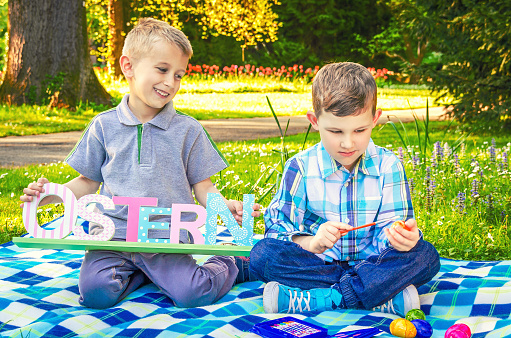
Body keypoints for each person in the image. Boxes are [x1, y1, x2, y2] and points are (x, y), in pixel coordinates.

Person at [20, 18, 259, 309]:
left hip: (164, 240)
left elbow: (204, 186)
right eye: (162, 69)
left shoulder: (188, 130)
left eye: (179, 75)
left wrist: (224, 205)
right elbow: (86, 182)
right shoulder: (103, 126)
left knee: (191, 294)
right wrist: (47, 196)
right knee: (95, 294)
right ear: (128, 66)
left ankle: (231, 260)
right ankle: (145, 275)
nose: (171, 82)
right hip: (112, 239)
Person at [249, 62, 440, 316]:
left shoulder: (389, 166)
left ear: (375, 119)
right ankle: (373, 295)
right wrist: (313, 242)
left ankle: (328, 298)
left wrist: (402, 240)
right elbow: (276, 230)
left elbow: (391, 227)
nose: (348, 143)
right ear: (314, 121)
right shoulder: (300, 167)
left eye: (360, 130)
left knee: (425, 256)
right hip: (318, 265)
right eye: (336, 131)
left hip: (375, 264)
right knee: (262, 254)